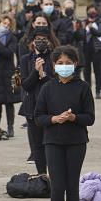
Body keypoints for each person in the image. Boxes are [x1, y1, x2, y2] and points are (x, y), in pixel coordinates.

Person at [34, 45, 95, 201]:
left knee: (72, 186)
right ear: (53, 65)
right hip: (53, 142)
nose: (64, 66)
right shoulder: (47, 88)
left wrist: (73, 117)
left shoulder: (83, 87)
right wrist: (54, 119)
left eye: (68, 63)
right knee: (57, 187)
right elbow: (38, 117)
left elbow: (90, 118)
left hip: (76, 141)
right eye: (60, 63)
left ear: (75, 64)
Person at [19, 16, 60, 174]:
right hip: (32, 107)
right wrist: (36, 72)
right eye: (38, 39)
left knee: (50, 144)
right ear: (33, 41)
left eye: (44, 39)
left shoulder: (55, 58)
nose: (41, 41)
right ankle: (42, 175)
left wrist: (44, 75)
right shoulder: (26, 59)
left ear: (49, 41)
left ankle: (55, 175)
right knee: (36, 145)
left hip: (51, 108)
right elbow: (26, 85)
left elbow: (56, 83)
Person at [81, 6, 101, 98]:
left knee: (98, 71)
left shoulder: (100, 21)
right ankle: (88, 91)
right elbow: (81, 35)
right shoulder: (84, 22)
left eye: (94, 10)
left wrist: (91, 28)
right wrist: (84, 29)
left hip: (97, 50)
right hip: (86, 50)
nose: (92, 12)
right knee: (86, 71)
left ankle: (98, 91)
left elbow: (100, 33)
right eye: (89, 10)